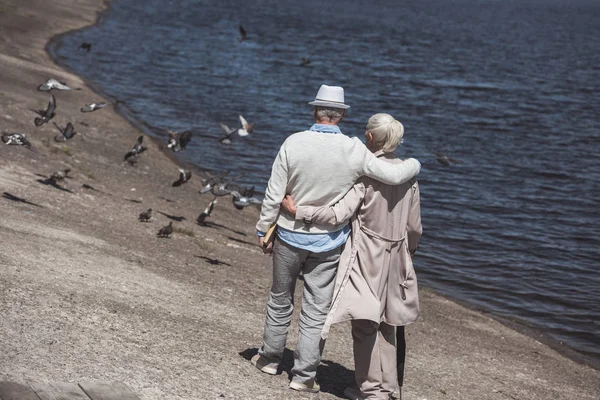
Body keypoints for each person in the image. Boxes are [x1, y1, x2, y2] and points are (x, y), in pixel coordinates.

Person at [252, 85, 421, 393]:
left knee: (279, 299)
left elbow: (274, 192)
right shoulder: (354, 149)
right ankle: (304, 376)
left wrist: (264, 229)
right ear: (342, 114)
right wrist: (416, 164)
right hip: (328, 243)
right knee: (316, 310)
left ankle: (270, 359)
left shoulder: (293, 142)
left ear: (314, 111)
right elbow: (393, 175)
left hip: (290, 234)